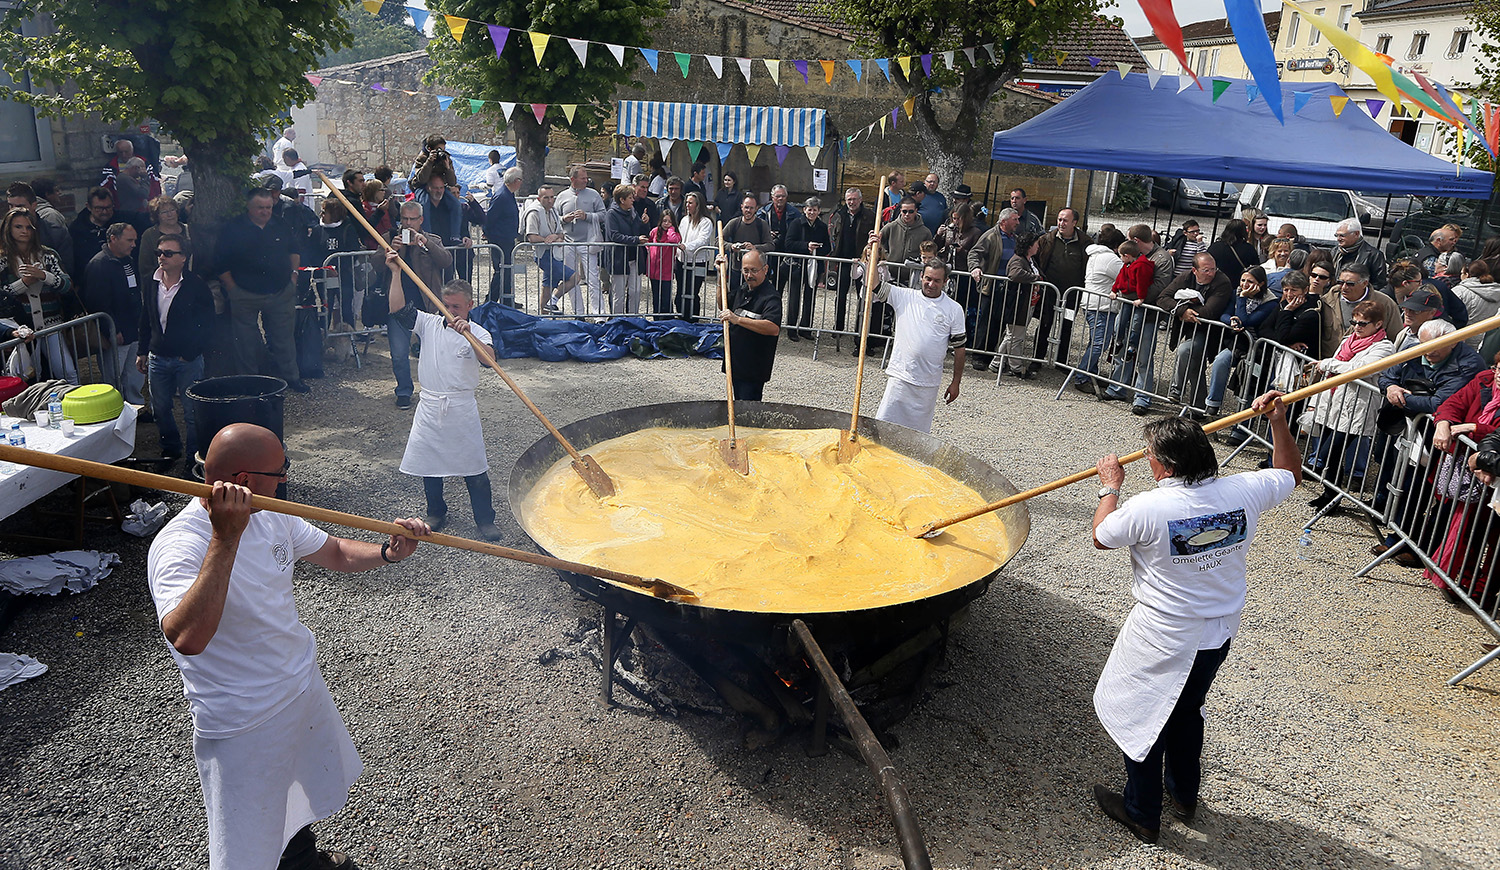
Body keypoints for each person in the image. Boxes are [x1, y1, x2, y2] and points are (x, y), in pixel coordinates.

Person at [146, 423, 430, 870]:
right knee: (247, 841)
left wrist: (388, 553)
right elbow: (187, 637)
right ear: (242, 482)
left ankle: (299, 858)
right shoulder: (181, 544)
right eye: (280, 471)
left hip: (297, 685)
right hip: (244, 718)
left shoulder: (272, 513)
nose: (286, 478)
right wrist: (226, 535)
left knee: (294, 790)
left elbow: (333, 550)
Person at [1091, 394, 1300, 845]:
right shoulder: (1243, 489)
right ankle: (1184, 793)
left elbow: (1101, 537)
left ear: (1163, 467)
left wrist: (1110, 487)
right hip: (1219, 632)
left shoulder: (1150, 508)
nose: (1147, 464)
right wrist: (1279, 423)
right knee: (1186, 710)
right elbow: (1289, 474)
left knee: (1142, 714)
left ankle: (1141, 812)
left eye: (1149, 457)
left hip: (1165, 633)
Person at [385, 263, 501, 540]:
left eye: (456, 307)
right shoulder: (428, 323)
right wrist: (396, 273)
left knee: (474, 466)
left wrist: (468, 335)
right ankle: (436, 511)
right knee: (430, 463)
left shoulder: (480, 333)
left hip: (461, 407)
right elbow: (397, 310)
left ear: (470, 305)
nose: (450, 312)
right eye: (446, 305)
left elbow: (490, 362)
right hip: (430, 405)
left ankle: (485, 519)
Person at [1301, 299, 1394, 510]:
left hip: (1357, 406)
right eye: (1354, 322)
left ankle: (1334, 495)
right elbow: (1337, 370)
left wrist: (1326, 363)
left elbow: (1359, 369)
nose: (1357, 327)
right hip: (1335, 401)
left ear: (1378, 324)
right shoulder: (1348, 340)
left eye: (1363, 324)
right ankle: (1329, 495)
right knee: (1331, 455)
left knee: (1331, 450)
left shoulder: (1384, 347)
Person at [216, 189, 307, 391]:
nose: (265, 212)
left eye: (268, 207)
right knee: (245, 342)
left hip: (281, 291)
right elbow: (220, 261)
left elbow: (294, 250)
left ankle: (291, 378)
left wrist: (293, 277)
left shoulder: (280, 224)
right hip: (244, 293)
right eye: (260, 208)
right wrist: (232, 288)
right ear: (249, 207)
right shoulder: (233, 228)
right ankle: (250, 382)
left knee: (284, 338)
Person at [137, 233, 214, 467]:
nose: (162, 257)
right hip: (158, 357)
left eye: (168, 253)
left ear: (183, 257)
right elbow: (147, 318)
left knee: (192, 413)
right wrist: (142, 351)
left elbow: (208, 323)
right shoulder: (151, 282)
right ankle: (170, 451)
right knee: (160, 409)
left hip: (187, 360)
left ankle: (193, 459)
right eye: (159, 252)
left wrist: (191, 352)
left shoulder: (196, 286)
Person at [871, 258, 965, 433]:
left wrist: (956, 382)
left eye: (937, 280)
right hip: (900, 376)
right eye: (928, 278)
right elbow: (875, 285)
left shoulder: (954, 309)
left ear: (945, 281)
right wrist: (873, 255)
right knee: (884, 426)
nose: (931, 284)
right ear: (921, 276)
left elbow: (959, 349)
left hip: (928, 384)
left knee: (918, 436)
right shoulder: (904, 297)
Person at [1100, 225, 1178, 414]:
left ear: (1136, 241)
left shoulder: (1162, 258)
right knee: (1121, 347)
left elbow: (1160, 287)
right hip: (1129, 307)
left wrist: (1130, 294)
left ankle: (1142, 397)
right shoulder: (1130, 255)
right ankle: (1118, 387)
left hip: (1148, 314)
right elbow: (1122, 276)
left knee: (1143, 355)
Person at [384, 201, 452, 409]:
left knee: (435, 352)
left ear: (421, 220)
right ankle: (404, 391)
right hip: (399, 304)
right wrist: (392, 249)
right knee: (398, 353)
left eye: (413, 219)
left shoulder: (432, 239)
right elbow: (376, 265)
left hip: (428, 304)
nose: (408, 224)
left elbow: (446, 261)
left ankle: (438, 390)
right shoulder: (390, 237)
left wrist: (427, 245)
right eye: (404, 219)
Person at [0, 206, 79, 381]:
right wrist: (24, 283)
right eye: (18, 227)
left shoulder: (48, 255)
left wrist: (44, 276)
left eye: (29, 227)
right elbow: (1, 296)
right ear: (8, 229)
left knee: (68, 371)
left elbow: (67, 285)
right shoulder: (3, 260)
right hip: (21, 329)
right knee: (29, 376)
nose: (24, 231)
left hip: (51, 325)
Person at [83, 222, 146, 403]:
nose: (133, 244)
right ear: (113, 239)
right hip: (116, 330)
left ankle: (135, 406)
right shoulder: (99, 264)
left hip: (134, 328)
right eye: (129, 240)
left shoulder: (128, 260)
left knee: (134, 373)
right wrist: (112, 329)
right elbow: (97, 303)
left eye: (134, 240)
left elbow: (134, 291)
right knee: (113, 375)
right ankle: (115, 409)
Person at [1203, 266, 1277, 418]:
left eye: (1250, 281)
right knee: (1220, 361)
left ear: (1261, 284)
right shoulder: (1235, 293)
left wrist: (1242, 298)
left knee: (1248, 378)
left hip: (1257, 349)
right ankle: (1213, 403)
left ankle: (1243, 418)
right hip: (1237, 343)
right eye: (1243, 280)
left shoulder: (1270, 302)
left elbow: (1247, 320)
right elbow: (1225, 314)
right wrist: (1230, 321)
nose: (1244, 284)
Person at [716, 249, 781, 401]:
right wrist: (721, 274)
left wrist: (738, 319)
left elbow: (773, 328)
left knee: (748, 410)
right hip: (736, 364)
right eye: (745, 271)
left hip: (753, 368)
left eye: (753, 270)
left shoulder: (770, 297)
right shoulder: (744, 289)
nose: (749, 275)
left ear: (765, 269)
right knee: (737, 407)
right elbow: (723, 304)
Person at [1032, 207, 1088, 373]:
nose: (1061, 223)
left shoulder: (1085, 243)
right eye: (1059, 220)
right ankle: (1037, 358)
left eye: (1065, 220)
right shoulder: (1046, 239)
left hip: (1071, 295)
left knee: (1067, 326)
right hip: (1049, 292)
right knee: (1044, 324)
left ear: (1074, 223)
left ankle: (1061, 361)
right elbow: (1035, 260)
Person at [1072, 225, 1125, 395]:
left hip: (1093, 303)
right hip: (1101, 306)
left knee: (1095, 341)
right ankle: (1081, 376)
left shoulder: (1096, 255)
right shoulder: (1111, 259)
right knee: (1099, 344)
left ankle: (1091, 373)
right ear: (1117, 246)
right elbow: (1125, 278)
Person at [967, 207, 1020, 371]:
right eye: (1015, 219)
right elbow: (974, 252)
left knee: (1000, 322)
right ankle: (978, 355)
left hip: (1007, 287)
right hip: (991, 285)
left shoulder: (1015, 238)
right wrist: (975, 268)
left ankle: (990, 355)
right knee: (986, 321)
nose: (1018, 222)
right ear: (1004, 221)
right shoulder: (991, 235)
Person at [555, 165, 608, 315]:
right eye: (583, 178)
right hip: (568, 242)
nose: (587, 181)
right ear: (573, 179)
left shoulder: (594, 195)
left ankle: (599, 313)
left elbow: (603, 214)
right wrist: (564, 219)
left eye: (586, 178)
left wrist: (588, 216)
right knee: (572, 280)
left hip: (588, 242)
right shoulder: (562, 196)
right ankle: (578, 312)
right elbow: (554, 218)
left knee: (593, 279)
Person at [828, 187, 876, 335]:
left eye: (854, 199)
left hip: (862, 262)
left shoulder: (870, 216)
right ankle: (838, 328)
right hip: (843, 260)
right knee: (840, 296)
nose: (851, 202)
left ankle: (859, 330)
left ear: (860, 200)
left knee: (862, 297)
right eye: (849, 199)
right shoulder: (839, 214)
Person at [529, 186, 582, 315]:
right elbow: (531, 237)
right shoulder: (534, 213)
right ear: (539, 198)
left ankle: (543, 315)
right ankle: (552, 302)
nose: (550, 200)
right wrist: (549, 239)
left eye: (552, 197)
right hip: (544, 255)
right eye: (546, 197)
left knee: (548, 286)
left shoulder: (553, 211)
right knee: (575, 278)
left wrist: (556, 237)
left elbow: (561, 234)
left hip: (555, 254)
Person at [995, 231, 1041, 378]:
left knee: (1011, 335)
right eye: (1036, 244)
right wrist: (1035, 278)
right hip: (1018, 305)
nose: (1038, 246)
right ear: (1029, 246)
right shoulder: (1018, 260)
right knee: (1016, 337)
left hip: (1025, 303)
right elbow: (1014, 274)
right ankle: (1016, 367)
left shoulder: (1028, 260)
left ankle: (996, 363)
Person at [784, 197, 828, 341]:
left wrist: (818, 248)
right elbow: (789, 243)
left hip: (814, 267)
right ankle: (791, 329)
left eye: (815, 210)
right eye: (809, 209)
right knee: (794, 298)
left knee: (810, 298)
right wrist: (806, 246)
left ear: (819, 211)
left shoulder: (822, 226)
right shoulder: (796, 224)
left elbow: (827, 247)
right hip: (797, 266)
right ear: (804, 210)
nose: (812, 212)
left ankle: (805, 328)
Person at [6, 181, 73, 277]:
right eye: (10, 206)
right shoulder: (4, 234)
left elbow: (67, 271)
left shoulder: (56, 234)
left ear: (34, 205)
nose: (13, 211)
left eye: (20, 206)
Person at [317, 199, 365, 328]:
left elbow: (352, 253)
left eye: (324, 212)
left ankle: (348, 338)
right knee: (326, 306)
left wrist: (338, 268)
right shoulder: (318, 229)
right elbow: (313, 251)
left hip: (344, 275)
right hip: (324, 275)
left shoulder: (348, 229)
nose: (321, 215)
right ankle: (323, 338)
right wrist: (325, 268)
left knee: (346, 307)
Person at [602, 183, 646, 315]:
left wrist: (644, 222)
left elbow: (639, 230)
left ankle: (633, 318)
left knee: (635, 291)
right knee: (618, 294)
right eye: (630, 198)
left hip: (634, 257)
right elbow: (614, 235)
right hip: (619, 258)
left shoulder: (632, 212)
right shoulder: (611, 214)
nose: (633, 200)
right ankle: (617, 320)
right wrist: (635, 240)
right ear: (622, 200)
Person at [757, 184, 803, 306]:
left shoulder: (794, 213)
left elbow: (798, 232)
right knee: (763, 287)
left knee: (780, 288)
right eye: (778, 196)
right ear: (772, 197)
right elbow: (755, 229)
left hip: (786, 255)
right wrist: (766, 233)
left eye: (783, 196)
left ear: (786, 197)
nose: (780, 199)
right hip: (767, 254)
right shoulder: (762, 212)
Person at [484, 166, 523, 305]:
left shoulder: (507, 194)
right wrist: (487, 233)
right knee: (501, 271)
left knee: (507, 271)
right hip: (500, 239)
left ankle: (507, 299)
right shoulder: (502, 196)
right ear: (516, 181)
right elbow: (490, 217)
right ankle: (490, 301)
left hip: (506, 238)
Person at [676, 192, 715, 320]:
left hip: (698, 261)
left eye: (690, 203)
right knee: (681, 292)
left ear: (698, 205)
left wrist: (687, 246)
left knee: (692, 292)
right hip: (682, 260)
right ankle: (682, 317)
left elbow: (702, 240)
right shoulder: (684, 220)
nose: (687, 205)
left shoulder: (706, 222)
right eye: (686, 202)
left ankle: (693, 319)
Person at [139, 195, 191, 278]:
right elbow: (145, 267)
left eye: (172, 210)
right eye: (164, 212)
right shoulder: (149, 235)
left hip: (189, 280)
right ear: (157, 215)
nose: (170, 214)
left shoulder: (189, 230)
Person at [1332, 218, 1388, 293]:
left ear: (1356, 234)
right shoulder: (1335, 252)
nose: (1338, 239)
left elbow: (1379, 283)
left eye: (1342, 235)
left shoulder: (1374, 255)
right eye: (1337, 235)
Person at [1451, 260, 1500, 343]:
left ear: (1467, 274)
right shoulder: (1497, 291)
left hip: (1462, 339)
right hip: (1485, 341)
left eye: (1461, 273)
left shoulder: (1459, 291)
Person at [645, 210, 680, 319]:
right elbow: (649, 241)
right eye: (664, 221)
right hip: (653, 270)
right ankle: (656, 319)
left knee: (666, 297)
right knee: (656, 297)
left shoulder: (674, 233)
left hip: (666, 271)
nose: (666, 223)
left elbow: (674, 240)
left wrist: (671, 230)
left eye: (669, 221)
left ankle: (667, 319)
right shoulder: (655, 231)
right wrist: (650, 250)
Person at [1204, 219, 1258, 285]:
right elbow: (1256, 267)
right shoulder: (1249, 249)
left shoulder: (1215, 247)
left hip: (1217, 283)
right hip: (1239, 284)